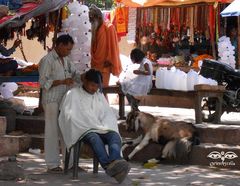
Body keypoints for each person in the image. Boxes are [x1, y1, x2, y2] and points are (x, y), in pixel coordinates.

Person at [59, 69, 130, 183]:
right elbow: (69, 116)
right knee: (95, 138)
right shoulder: (73, 94)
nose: (94, 89)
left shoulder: (99, 95)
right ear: (85, 81)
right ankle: (109, 167)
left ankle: (115, 161)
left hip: (101, 127)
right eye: (92, 85)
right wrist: (89, 125)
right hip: (83, 129)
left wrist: (105, 125)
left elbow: (107, 113)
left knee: (114, 136)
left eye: (97, 86)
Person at [38, 34, 80, 173]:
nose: (69, 52)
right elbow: (43, 83)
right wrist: (62, 82)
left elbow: (75, 74)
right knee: (52, 130)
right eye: (67, 49)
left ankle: (70, 163)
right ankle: (52, 164)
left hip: (64, 99)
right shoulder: (47, 60)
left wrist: (86, 77)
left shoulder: (66, 60)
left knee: (67, 129)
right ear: (60, 45)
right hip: (51, 100)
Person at [89, 4, 122, 87]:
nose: (91, 22)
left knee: (102, 91)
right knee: (94, 91)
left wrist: (110, 60)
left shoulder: (109, 28)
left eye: (92, 19)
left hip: (105, 66)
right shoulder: (95, 28)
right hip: (94, 66)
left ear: (99, 18)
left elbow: (113, 48)